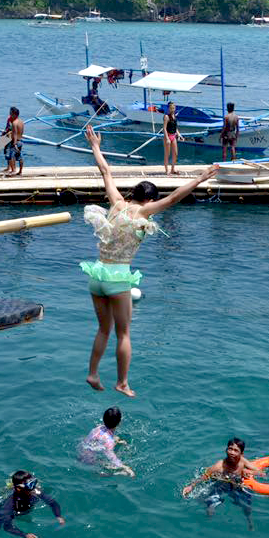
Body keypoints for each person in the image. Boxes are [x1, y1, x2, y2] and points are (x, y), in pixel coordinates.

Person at [81, 125, 218, 397]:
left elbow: (105, 171)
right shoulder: (143, 212)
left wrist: (96, 145)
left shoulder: (117, 202)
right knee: (124, 334)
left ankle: (93, 373)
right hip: (119, 277)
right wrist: (201, 177)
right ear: (149, 199)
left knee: (103, 330)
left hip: (97, 276)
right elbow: (176, 197)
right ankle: (122, 382)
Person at [182, 438, 265, 530]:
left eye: (236, 450)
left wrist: (246, 471)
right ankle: (207, 524)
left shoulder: (243, 462)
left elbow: (261, 473)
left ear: (241, 454)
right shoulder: (220, 465)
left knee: (247, 507)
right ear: (226, 450)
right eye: (230, 449)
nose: (232, 452)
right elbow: (205, 476)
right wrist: (191, 486)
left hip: (237, 485)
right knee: (210, 507)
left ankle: (249, 521)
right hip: (221, 484)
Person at [78, 406, 134, 477]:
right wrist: (124, 467)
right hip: (89, 461)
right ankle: (119, 473)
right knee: (108, 471)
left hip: (81, 452)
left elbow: (101, 438)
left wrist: (115, 441)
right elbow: (111, 457)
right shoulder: (109, 441)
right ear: (119, 423)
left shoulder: (99, 428)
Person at [1, 106, 25, 177]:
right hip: (21, 140)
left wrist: (14, 144)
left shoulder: (14, 123)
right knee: (20, 157)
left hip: (16, 141)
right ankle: (20, 171)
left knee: (11, 156)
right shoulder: (21, 122)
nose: (10, 115)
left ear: (14, 114)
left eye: (11, 113)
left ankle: (13, 170)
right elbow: (21, 132)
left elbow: (14, 134)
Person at [161, 101, 181, 175]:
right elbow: (164, 128)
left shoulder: (174, 116)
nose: (173, 109)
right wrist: (167, 138)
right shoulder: (166, 116)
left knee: (175, 153)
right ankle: (167, 170)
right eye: (171, 108)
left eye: (174, 108)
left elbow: (175, 128)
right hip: (168, 136)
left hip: (173, 136)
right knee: (167, 154)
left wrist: (179, 135)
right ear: (169, 108)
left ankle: (173, 169)